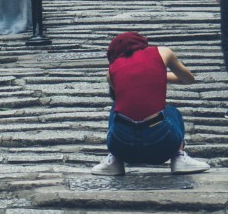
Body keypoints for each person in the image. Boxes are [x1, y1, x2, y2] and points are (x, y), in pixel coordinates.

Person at [90, 32, 211, 176]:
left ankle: (115, 160)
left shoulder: (111, 72)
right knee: (172, 111)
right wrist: (156, 73)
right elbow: (188, 79)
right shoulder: (163, 53)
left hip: (123, 146)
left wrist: (153, 74)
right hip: (162, 143)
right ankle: (179, 157)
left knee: (116, 108)